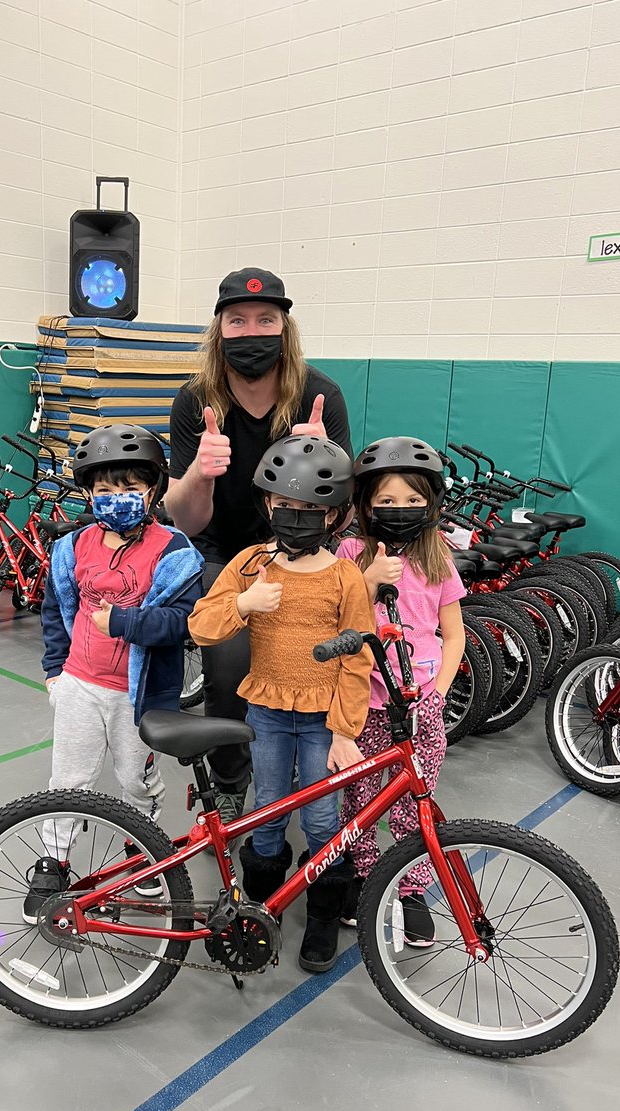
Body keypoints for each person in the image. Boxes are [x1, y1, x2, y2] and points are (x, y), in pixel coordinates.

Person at [164, 268, 352, 826]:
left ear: (285, 327)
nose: (252, 331)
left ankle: (306, 767)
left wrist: (323, 468)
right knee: (228, 671)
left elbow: (340, 514)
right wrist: (200, 473)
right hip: (224, 554)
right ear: (219, 328)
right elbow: (186, 518)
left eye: (266, 319)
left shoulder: (321, 396)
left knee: (316, 661)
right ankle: (229, 779)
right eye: (238, 320)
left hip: (302, 553)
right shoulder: (195, 400)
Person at [188, 435, 373, 973]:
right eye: (287, 508)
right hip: (266, 713)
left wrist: (345, 732)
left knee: (320, 821)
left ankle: (320, 919)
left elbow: (357, 657)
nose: (297, 519)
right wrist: (243, 604)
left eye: (312, 510)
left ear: (335, 516)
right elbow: (202, 625)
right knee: (267, 814)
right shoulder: (251, 563)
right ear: (268, 504)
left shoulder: (343, 577)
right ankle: (259, 910)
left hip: (322, 720)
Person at [24, 424, 203, 923]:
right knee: (69, 779)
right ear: (88, 493)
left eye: (129, 488)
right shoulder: (73, 547)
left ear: (154, 491)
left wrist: (124, 620)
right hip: (80, 684)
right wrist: (54, 670)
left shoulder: (174, 552)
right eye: (105, 490)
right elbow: (56, 608)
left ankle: (141, 852)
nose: (116, 499)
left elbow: (182, 623)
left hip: (136, 695)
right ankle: (54, 861)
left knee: (136, 779)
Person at [335, 437, 466, 946]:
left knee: (415, 800)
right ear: (367, 506)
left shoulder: (440, 562)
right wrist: (367, 581)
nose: (400, 511)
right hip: (364, 704)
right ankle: (364, 874)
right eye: (387, 501)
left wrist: (439, 690)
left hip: (420, 707)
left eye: (413, 502)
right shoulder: (350, 554)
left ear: (431, 506)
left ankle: (411, 889)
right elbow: (338, 620)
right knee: (361, 799)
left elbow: (453, 633)